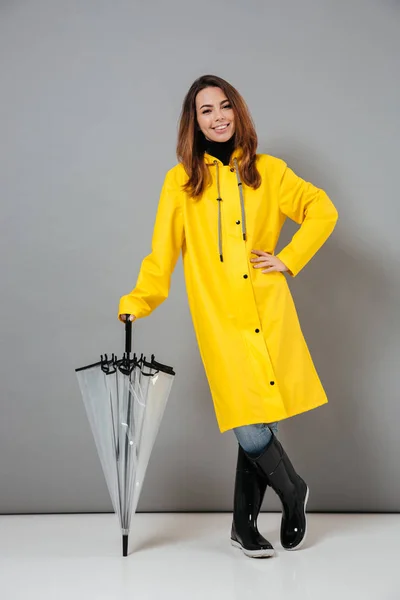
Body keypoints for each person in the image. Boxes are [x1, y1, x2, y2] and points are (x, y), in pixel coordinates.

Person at [118, 74, 338, 558]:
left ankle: (243, 526)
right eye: (205, 110)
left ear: (237, 112)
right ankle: (293, 489)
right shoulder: (180, 183)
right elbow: (162, 257)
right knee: (247, 417)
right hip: (220, 319)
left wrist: (290, 257)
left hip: (269, 308)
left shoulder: (269, 172)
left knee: (261, 418)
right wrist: (138, 299)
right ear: (192, 122)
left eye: (225, 107)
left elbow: (321, 209)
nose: (217, 117)